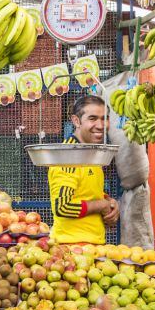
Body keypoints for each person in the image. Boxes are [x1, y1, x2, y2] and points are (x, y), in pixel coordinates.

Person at [48, 95, 118, 244]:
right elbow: (62, 207)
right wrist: (100, 205)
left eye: (104, 118)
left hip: (93, 245)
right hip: (70, 248)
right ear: (76, 121)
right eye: (92, 118)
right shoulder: (68, 157)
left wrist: (109, 202)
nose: (100, 125)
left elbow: (86, 190)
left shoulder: (89, 153)